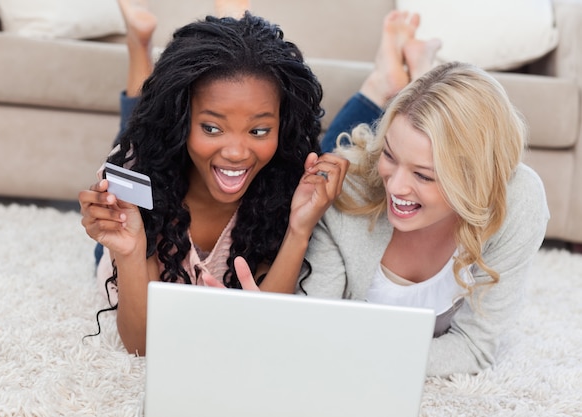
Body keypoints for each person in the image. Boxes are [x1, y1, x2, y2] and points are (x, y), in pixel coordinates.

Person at [79, 4, 349, 356]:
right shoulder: (138, 182)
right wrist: (129, 250)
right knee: (138, 130)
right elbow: (141, 346)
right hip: (137, 221)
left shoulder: (282, 184)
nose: (236, 152)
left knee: (339, 147)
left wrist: (300, 229)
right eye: (211, 127)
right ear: (183, 122)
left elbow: (264, 325)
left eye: (259, 129)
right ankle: (140, 45)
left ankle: (233, 19)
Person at [296, 12, 550, 377]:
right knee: (328, 155)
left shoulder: (518, 200)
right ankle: (392, 79)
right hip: (351, 164)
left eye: (424, 175)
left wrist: (364, 357)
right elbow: (314, 330)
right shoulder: (344, 193)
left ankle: (416, 68)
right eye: (389, 156)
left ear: (474, 178)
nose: (396, 186)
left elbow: (474, 347)